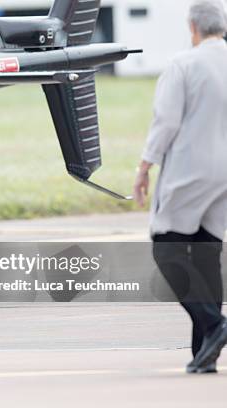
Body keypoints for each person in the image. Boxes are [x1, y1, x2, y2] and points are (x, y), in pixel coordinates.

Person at [133, 0, 227, 373]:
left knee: (166, 249)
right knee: (207, 254)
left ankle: (215, 324)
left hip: (191, 169)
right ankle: (205, 352)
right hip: (225, 174)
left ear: (193, 29)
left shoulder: (183, 64)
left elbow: (166, 121)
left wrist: (144, 167)